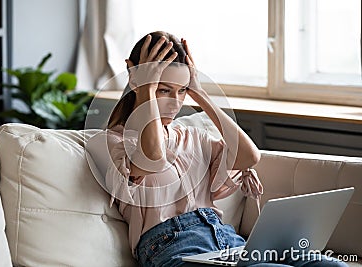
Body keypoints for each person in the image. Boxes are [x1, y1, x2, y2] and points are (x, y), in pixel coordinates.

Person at [91, 31, 348, 267]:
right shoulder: (109, 142)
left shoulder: (193, 136)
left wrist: (200, 92)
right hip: (172, 248)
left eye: (182, 91)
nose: (174, 103)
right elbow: (153, 159)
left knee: (330, 265)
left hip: (226, 239)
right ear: (133, 76)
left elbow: (250, 156)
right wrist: (145, 87)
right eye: (163, 90)